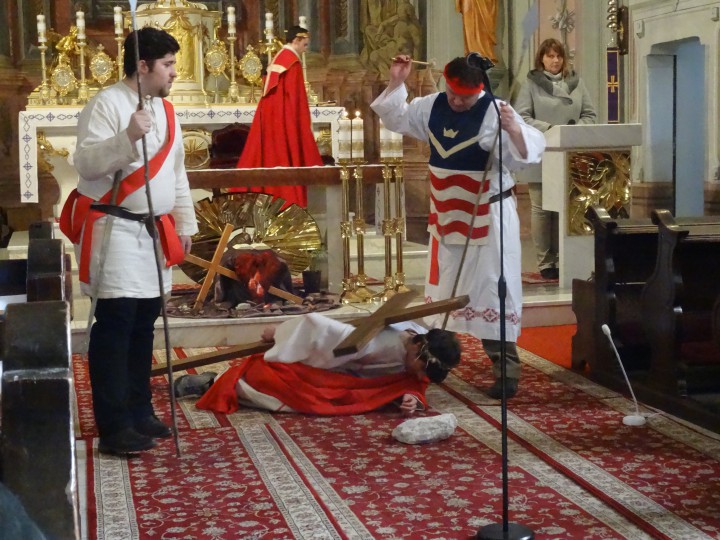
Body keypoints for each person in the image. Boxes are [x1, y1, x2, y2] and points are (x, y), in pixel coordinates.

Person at [370, 56, 545, 399]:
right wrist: (396, 81)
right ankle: (438, 359)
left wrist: (513, 129)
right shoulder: (432, 105)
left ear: (478, 90)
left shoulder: (495, 112)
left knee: (492, 290)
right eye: (452, 93)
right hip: (447, 215)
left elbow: (524, 155)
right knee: (445, 293)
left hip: (488, 217)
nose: (457, 101)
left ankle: (506, 370)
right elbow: (396, 117)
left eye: (465, 97)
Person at [59, 27, 198, 455]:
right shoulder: (106, 104)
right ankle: (114, 424)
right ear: (143, 65)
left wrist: (186, 224)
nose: (174, 72)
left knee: (144, 324)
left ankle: (140, 410)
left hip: (153, 232)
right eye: (168, 65)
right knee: (116, 326)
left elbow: (176, 172)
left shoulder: (168, 110)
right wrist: (127, 138)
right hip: (115, 230)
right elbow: (86, 164)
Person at [183, 314, 461, 416]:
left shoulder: (414, 345)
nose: (419, 375)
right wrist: (279, 333)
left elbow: (414, 382)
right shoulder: (376, 342)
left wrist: (411, 397)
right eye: (420, 368)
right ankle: (210, 382)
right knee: (267, 380)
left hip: (349, 380)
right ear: (417, 349)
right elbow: (316, 326)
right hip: (324, 371)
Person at [513, 38, 597, 280]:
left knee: (564, 207)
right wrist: (551, 129)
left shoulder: (576, 82)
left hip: (569, 154)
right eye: (550, 56)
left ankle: (563, 258)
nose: (555, 60)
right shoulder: (531, 84)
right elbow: (521, 117)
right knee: (542, 209)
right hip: (542, 152)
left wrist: (572, 131)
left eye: (559, 56)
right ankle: (545, 261)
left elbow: (590, 114)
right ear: (541, 59)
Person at [233, 25, 323, 208]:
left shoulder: (280, 58)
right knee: (284, 154)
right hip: (285, 117)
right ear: (296, 40)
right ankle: (286, 198)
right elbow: (296, 97)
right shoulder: (292, 62)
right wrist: (300, 122)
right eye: (304, 44)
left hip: (271, 116)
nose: (305, 49)